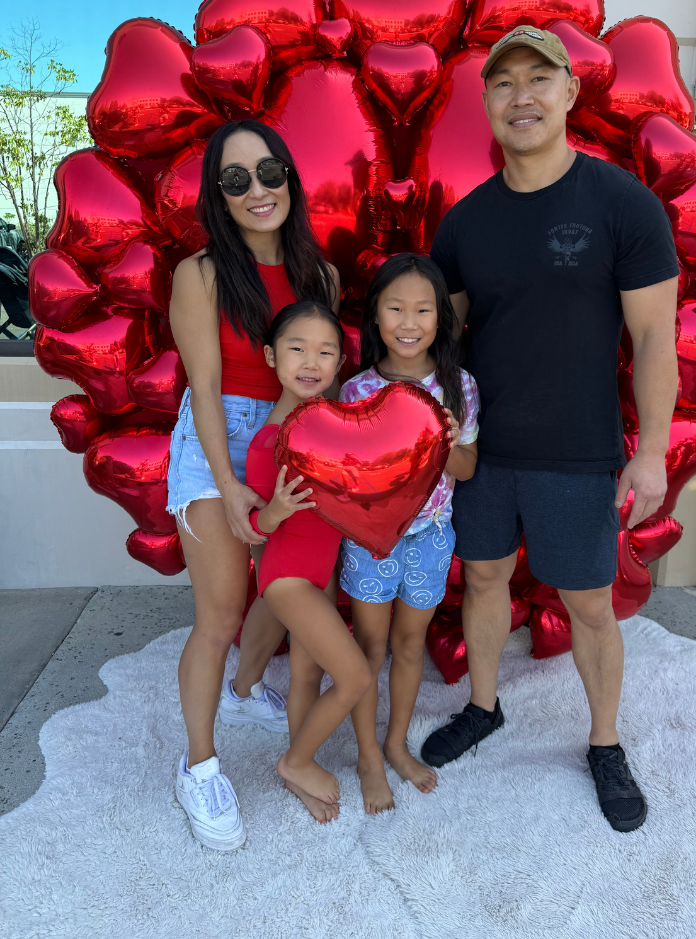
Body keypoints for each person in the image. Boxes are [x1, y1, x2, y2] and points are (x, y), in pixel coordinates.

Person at [426, 25, 680, 832]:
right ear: (487, 103)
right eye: (504, 84)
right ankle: (485, 705)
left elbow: (653, 340)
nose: (522, 96)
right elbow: (444, 347)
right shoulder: (465, 225)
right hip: (485, 453)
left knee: (591, 606)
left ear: (571, 92)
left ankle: (605, 743)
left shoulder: (622, 205)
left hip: (577, 451)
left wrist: (650, 454)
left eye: (540, 79)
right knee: (485, 580)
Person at [165, 120, 339, 850]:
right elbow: (204, 385)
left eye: (268, 172)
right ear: (218, 195)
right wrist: (232, 484)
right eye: (235, 180)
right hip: (216, 440)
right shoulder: (200, 273)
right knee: (221, 611)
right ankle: (198, 765)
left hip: (294, 431)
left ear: (289, 178)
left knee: (288, 585)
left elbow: (317, 368)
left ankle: (243, 693)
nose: (257, 190)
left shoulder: (320, 275)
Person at [336, 254, 480, 813]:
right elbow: (345, 472)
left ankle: (395, 742)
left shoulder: (458, 386)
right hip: (372, 539)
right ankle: (368, 754)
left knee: (410, 643)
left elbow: (467, 469)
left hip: (431, 536)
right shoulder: (355, 390)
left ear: (442, 319)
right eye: (396, 308)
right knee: (370, 647)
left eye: (423, 309)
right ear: (375, 316)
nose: (409, 321)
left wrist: (445, 442)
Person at [243, 301, 375, 824]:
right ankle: (295, 761)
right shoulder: (267, 443)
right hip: (287, 579)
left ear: (340, 363)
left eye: (325, 351)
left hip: (319, 576)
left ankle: (303, 765)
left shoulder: (334, 428)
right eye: (297, 348)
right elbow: (250, 527)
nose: (310, 361)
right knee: (356, 677)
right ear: (273, 357)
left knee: (305, 675)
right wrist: (273, 512)